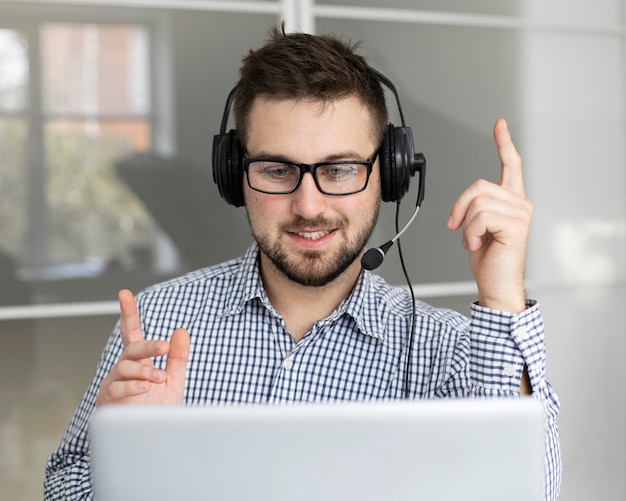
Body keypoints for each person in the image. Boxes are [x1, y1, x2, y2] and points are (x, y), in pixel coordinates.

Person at [44, 25, 561, 500]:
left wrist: (502, 298)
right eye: (276, 170)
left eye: (338, 169)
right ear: (233, 174)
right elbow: (64, 485)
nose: (309, 206)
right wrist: (130, 464)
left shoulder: (448, 352)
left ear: (390, 175)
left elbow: (526, 491)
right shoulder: (155, 323)